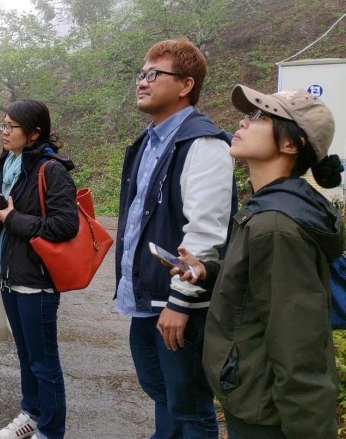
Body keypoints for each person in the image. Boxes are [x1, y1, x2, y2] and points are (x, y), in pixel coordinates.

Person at [169, 85, 345, 439]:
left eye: (261, 117)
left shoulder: (276, 224)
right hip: (254, 395)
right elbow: (259, 285)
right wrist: (208, 271)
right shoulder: (265, 209)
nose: (243, 122)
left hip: (268, 413)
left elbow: (299, 345)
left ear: (291, 144)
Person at [114, 38, 236, 439]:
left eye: (154, 74)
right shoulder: (147, 143)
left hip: (178, 305)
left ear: (185, 85)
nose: (142, 82)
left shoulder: (202, 144)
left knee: (190, 407)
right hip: (148, 298)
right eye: (141, 74)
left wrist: (180, 303)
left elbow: (205, 234)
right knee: (161, 392)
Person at [0, 100, 79, 439]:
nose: (4, 132)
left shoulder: (51, 170)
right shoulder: (6, 165)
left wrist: (11, 217)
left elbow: (66, 226)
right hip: (8, 275)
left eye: (11, 127)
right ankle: (31, 414)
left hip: (37, 279)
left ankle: (50, 431)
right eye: (2, 125)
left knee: (44, 362)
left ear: (34, 133)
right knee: (26, 355)